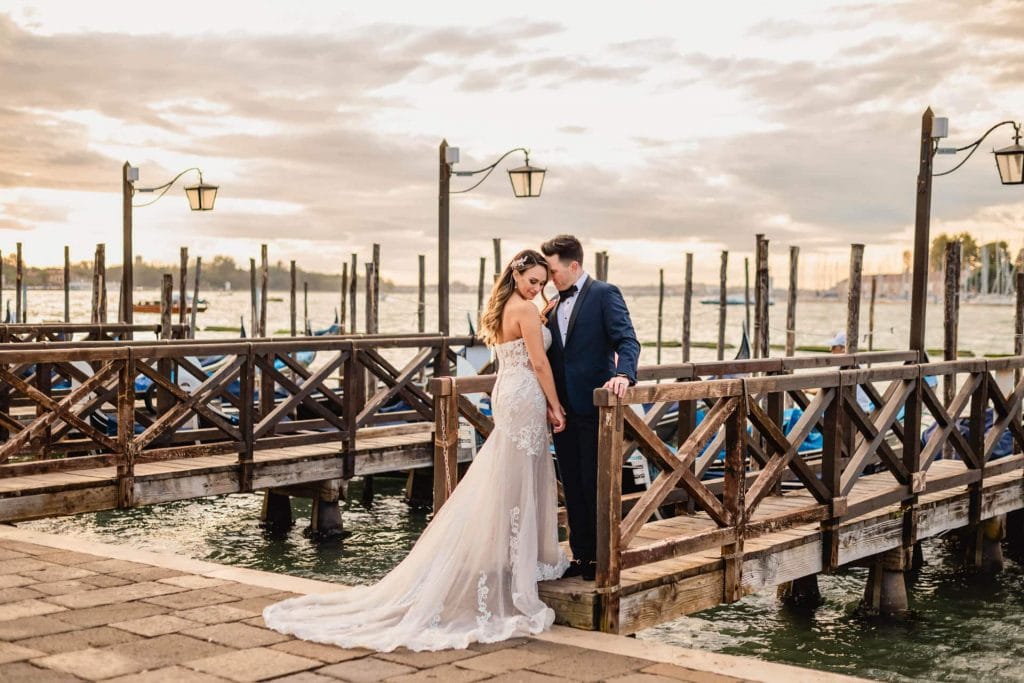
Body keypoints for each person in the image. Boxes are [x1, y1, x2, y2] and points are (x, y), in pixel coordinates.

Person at [263, 249, 569, 652]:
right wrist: (556, 405)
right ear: (516, 275)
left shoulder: (510, 309)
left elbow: (517, 344)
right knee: (520, 472)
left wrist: (538, 314)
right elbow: (540, 364)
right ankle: (522, 560)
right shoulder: (527, 311)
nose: (537, 288)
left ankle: (511, 556)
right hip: (527, 393)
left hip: (507, 392)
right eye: (532, 281)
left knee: (508, 472)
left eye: (542, 283)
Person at [541, 235, 640, 581]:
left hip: (595, 405)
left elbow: (627, 339)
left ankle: (601, 558)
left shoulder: (604, 294)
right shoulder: (552, 303)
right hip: (562, 410)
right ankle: (580, 555)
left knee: (593, 482)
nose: (551, 278)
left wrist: (624, 375)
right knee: (571, 483)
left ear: (574, 266)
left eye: (554, 271)